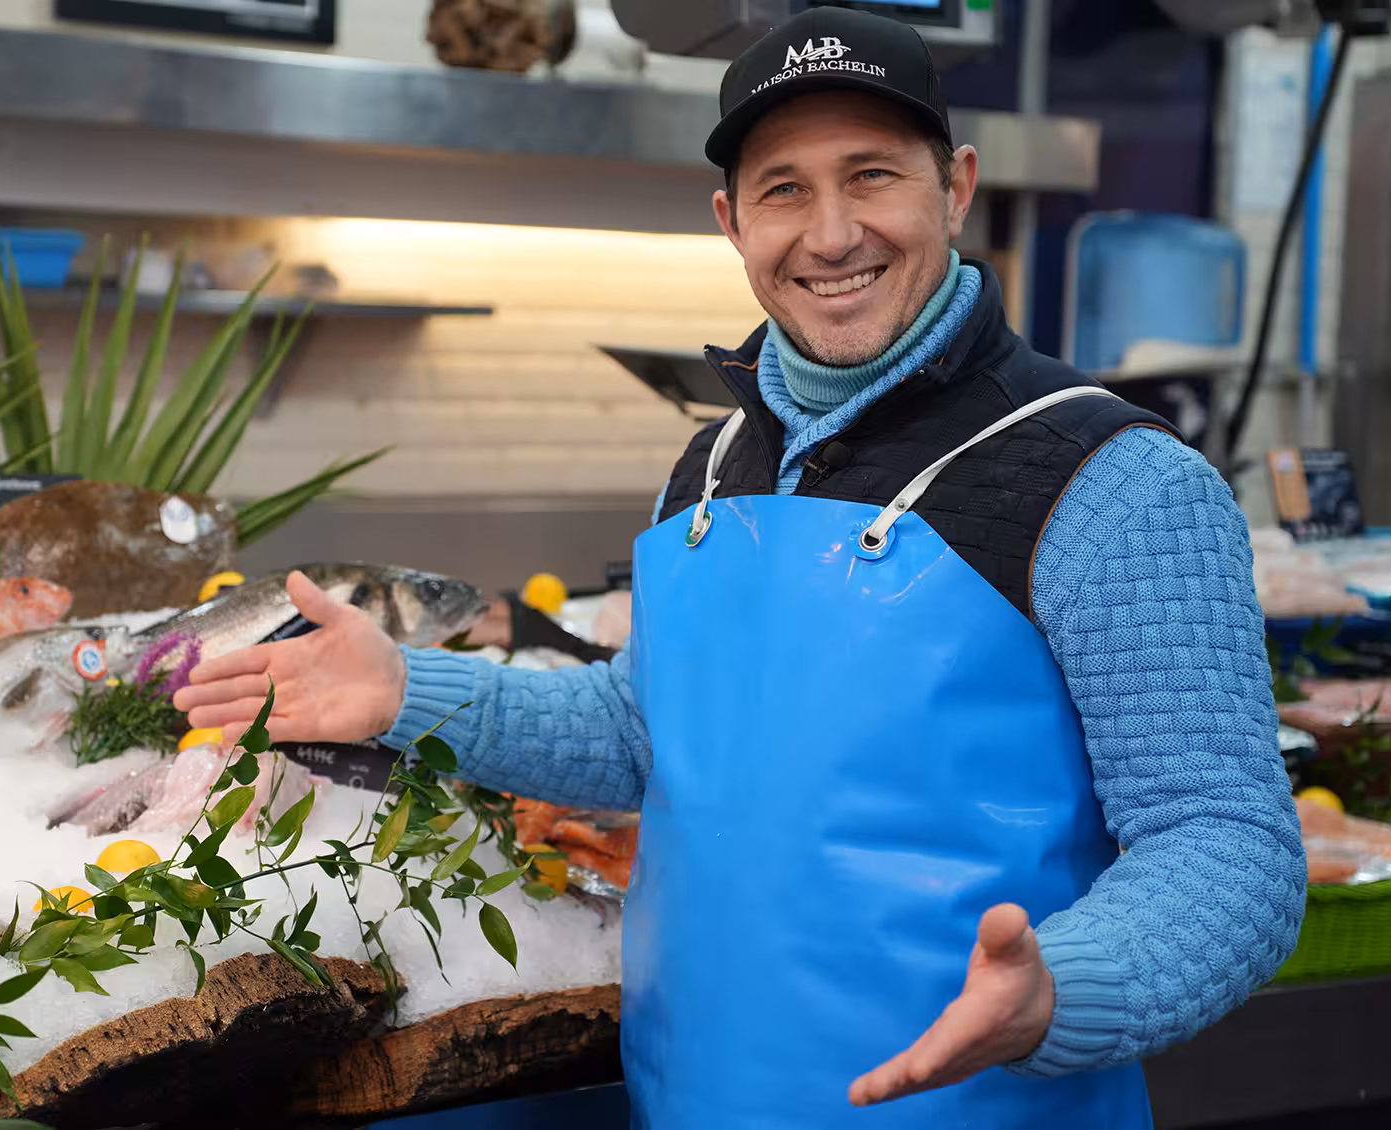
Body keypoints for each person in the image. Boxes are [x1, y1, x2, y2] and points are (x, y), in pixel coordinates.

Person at [175, 7, 1306, 1126]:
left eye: (870, 176)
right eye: (784, 189)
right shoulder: (709, 467)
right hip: (696, 1097)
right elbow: (645, 736)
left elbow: (1227, 845)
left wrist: (1069, 985)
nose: (829, 233)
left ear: (953, 186)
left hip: (981, 1105)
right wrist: (407, 692)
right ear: (730, 219)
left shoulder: (1117, 481)